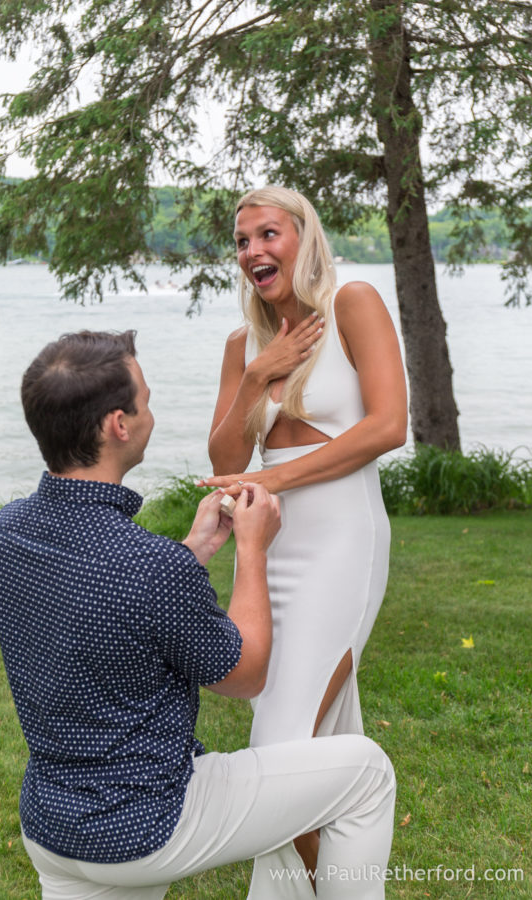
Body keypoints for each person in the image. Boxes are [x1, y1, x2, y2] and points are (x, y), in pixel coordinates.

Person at [0, 329, 396, 899]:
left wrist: (193, 550)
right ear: (118, 425)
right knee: (366, 773)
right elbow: (247, 673)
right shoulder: (150, 568)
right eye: (146, 401)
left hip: (54, 833)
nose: (152, 413)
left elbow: (106, 602)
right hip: (149, 825)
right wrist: (252, 551)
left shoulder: (7, 533)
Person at [199, 186, 407, 895]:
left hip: (341, 544)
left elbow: (387, 428)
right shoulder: (242, 345)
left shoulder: (354, 305)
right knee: (313, 748)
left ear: (303, 237)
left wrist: (276, 486)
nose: (254, 250)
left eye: (268, 234)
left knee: (279, 752)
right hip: (271, 551)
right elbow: (226, 456)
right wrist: (259, 373)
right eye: (241, 241)